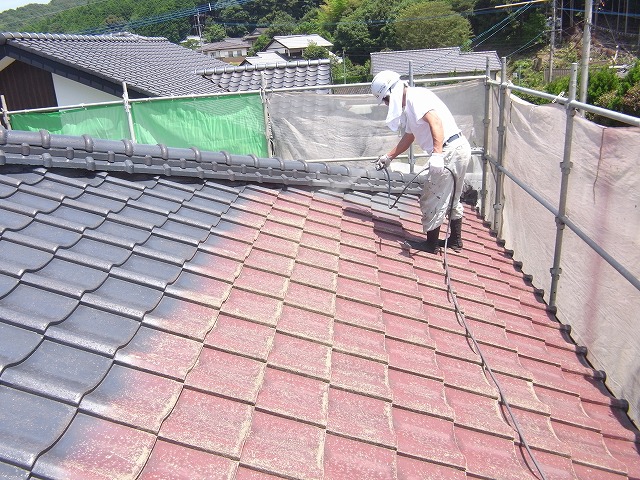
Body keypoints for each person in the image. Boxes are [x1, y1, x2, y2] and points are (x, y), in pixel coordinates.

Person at [371, 70, 471, 254]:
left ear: (392, 92)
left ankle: (431, 244)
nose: (386, 104)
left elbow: (435, 122)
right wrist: (389, 156)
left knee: (431, 194)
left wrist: (438, 155)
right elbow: (410, 136)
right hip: (458, 148)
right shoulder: (411, 104)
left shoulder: (415, 99)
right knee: (452, 197)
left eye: (385, 99)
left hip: (449, 150)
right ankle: (455, 240)